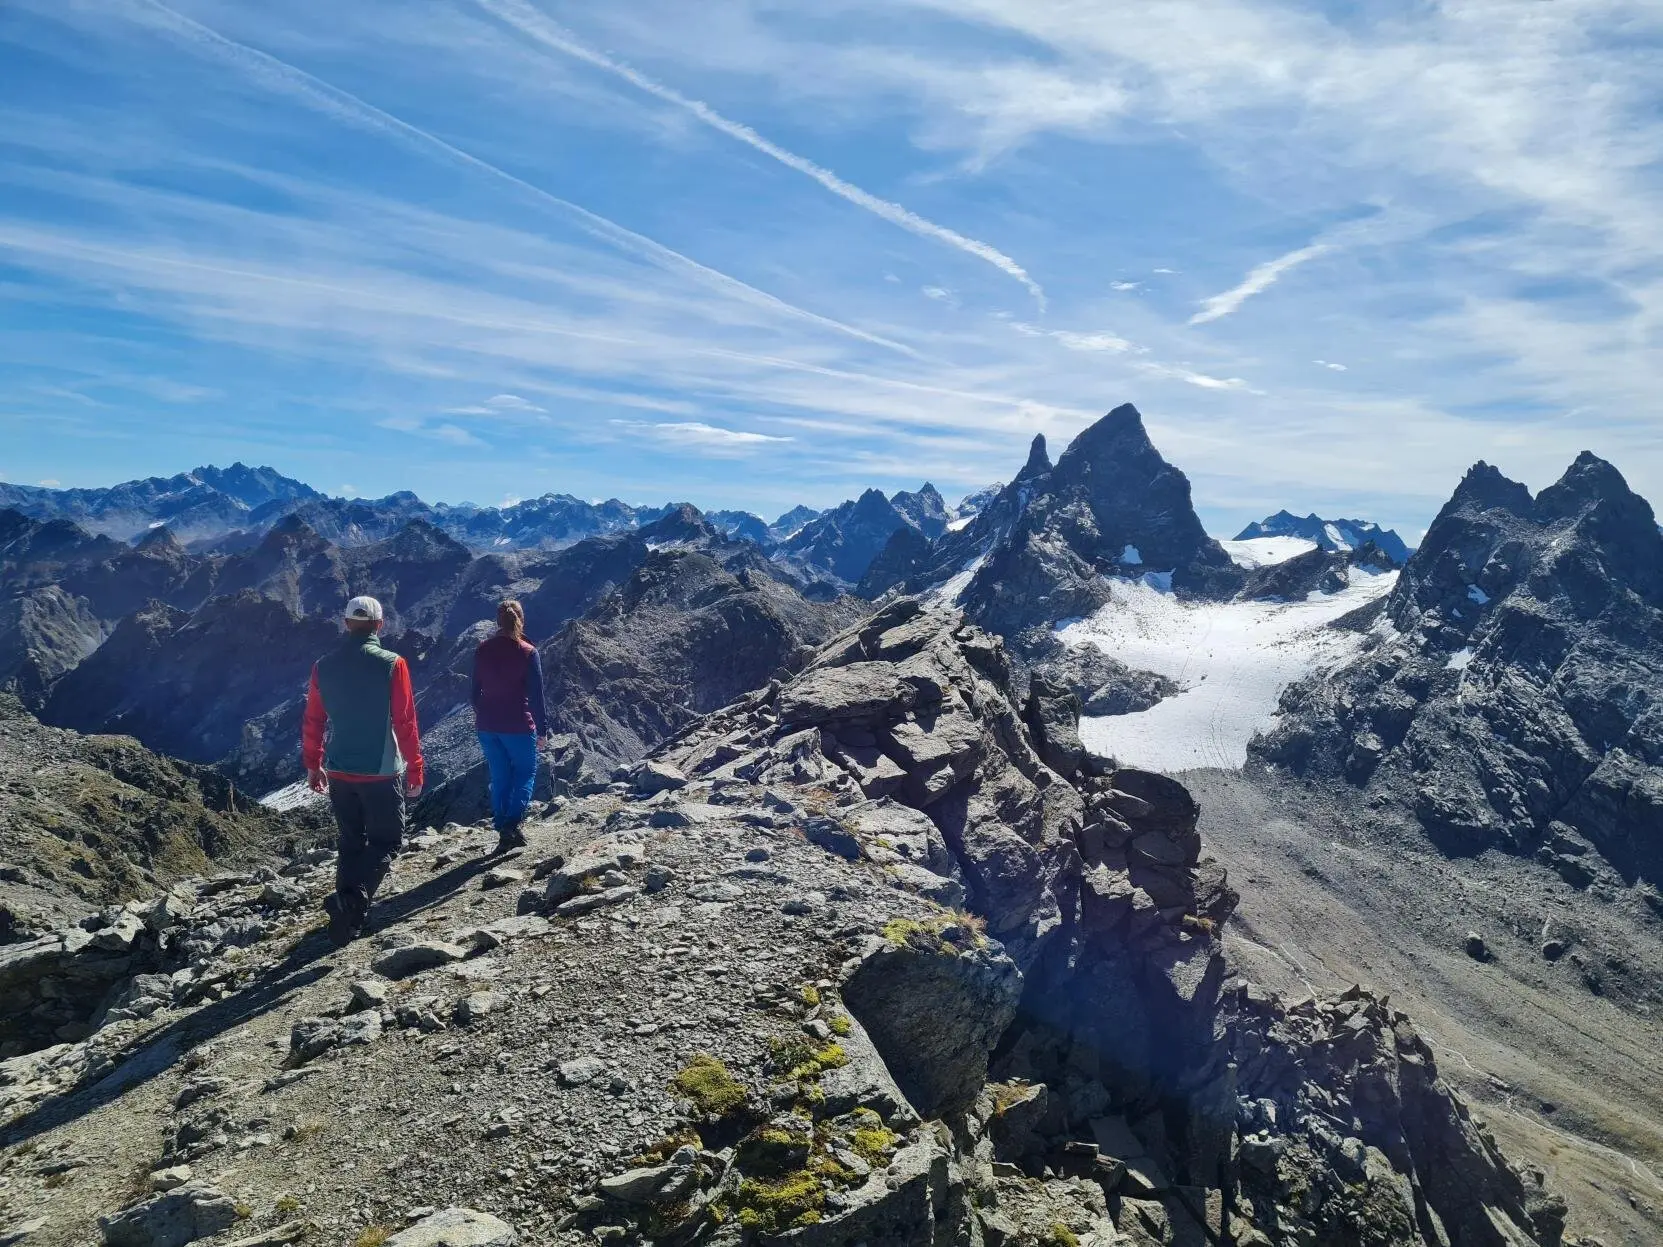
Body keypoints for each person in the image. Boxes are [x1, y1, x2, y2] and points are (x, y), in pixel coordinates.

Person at [302, 595, 424, 945]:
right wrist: (415, 767)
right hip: (380, 771)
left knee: (350, 842)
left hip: (339, 770)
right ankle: (352, 903)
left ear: (346, 624)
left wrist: (313, 764)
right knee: (387, 840)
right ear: (380, 625)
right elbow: (405, 721)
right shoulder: (393, 664)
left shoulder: (322, 666)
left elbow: (313, 719)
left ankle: (347, 918)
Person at [471, 599, 548, 853]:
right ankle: (511, 825)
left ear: (497, 621)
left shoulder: (482, 649)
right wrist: (542, 730)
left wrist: (484, 714)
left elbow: (474, 692)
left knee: (500, 775)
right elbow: (536, 697)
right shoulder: (528, 652)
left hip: (487, 725)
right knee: (525, 773)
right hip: (518, 725)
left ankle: (502, 825)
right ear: (521, 620)